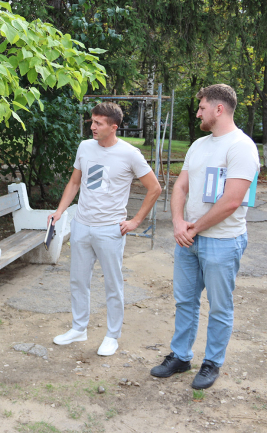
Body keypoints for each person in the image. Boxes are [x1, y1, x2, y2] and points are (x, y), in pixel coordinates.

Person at [150, 84, 260, 389]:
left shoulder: (241, 147)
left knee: (219, 306)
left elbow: (232, 200)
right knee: (185, 301)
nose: (198, 113)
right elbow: (180, 186)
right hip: (188, 239)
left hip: (223, 241)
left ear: (219, 109)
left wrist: (194, 227)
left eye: (202, 108)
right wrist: (177, 222)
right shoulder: (198, 145)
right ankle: (180, 356)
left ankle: (212, 363)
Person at [49, 102, 161, 356]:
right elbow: (74, 182)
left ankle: (112, 336)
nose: (92, 127)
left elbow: (154, 188)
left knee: (113, 284)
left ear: (114, 127)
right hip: (82, 225)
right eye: (92, 121)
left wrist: (135, 221)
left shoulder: (130, 154)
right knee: (78, 280)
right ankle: (79, 328)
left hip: (110, 229)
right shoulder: (85, 147)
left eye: (98, 123)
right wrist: (60, 211)